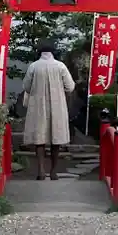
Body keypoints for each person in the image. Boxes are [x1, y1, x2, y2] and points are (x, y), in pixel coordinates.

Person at [22, 39, 75, 180]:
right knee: (56, 138)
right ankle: (53, 172)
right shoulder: (60, 66)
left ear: (39, 52)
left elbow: (26, 87)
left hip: (38, 106)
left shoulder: (34, 66)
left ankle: (41, 170)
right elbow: (70, 86)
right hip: (57, 106)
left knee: (40, 139)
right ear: (53, 51)